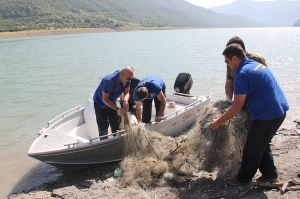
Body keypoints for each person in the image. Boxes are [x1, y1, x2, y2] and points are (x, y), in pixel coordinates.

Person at [210, 44, 289, 186]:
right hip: (279, 110)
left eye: (227, 61)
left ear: (234, 58)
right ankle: (270, 175)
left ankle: (242, 179)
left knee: (251, 148)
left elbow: (237, 106)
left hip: (267, 115)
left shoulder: (243, 74)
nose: (227, 65)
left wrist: (219, 121)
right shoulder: (255, 64)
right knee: (262, 144)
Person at [93, 66, 134, 139]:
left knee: (116, 123)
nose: (129, 81)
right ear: (122, 74)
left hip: (111, 101)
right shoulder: (109, 81)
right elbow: (105, 99)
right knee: (103, 126)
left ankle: (117, 138)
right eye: (128, 79)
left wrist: (125, 100)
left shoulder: (127, 79)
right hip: (100, 104)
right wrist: (117, 109)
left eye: (130, 79)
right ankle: (104, 142)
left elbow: (127, 92)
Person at [225, 36, 268, 101]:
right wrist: (229, 101)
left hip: (257, 99)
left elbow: (266, 80)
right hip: (240, 97)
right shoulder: (231, 60)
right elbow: (229, 82)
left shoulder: (257, 59)